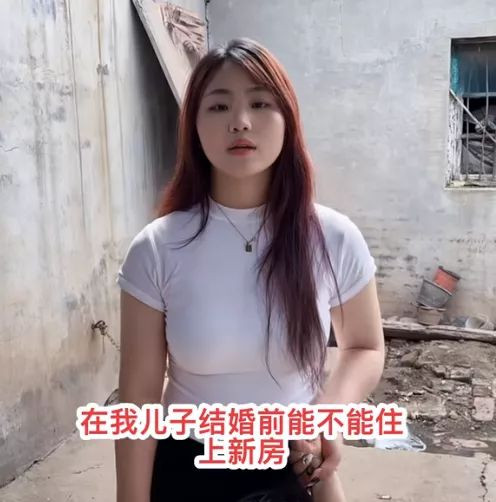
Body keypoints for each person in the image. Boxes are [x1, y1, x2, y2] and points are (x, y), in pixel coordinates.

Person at [114, 37, 385, 502]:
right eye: (219, 106)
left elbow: (364, 346)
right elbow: (138, 397)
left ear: (288, 119)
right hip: (188, 471)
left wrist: (327, 416)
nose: (240, 121)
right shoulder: (157, 249)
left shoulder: (333, 237)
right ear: (194, 125)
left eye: (260, 103)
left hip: (295, 467)